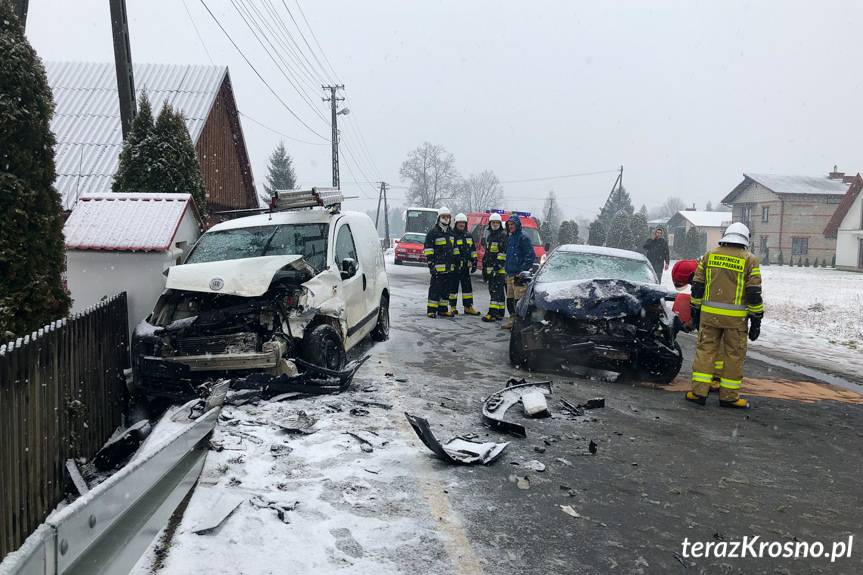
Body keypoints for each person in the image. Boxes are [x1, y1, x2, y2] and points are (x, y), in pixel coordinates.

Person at [686, 222, 763, 409]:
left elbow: (697, 287)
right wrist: (756, 320)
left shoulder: (709, 256)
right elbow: (754, 292)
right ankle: (728, 396)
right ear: (745, 239)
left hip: (709, 316)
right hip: (735, 320)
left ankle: (698, 393)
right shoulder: (749, 260)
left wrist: (695, 312)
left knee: (705, 352)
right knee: (733, 355)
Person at [672, 259, 722, 392]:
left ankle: (710, 381)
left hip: (713, 317)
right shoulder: (707, 270)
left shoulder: (701, 281)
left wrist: (695, 320)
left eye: (687, 282)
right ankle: (716, 378)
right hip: (721, 316)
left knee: (709, 348)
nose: (689, 285)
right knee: (717, 349)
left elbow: (698, 303)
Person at [501, 215, 535, 330]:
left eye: (512, 224)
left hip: (518, 275)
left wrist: (522, 271)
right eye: (508, 225)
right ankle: (512, 321)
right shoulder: (510, 237)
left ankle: (518, 324)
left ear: (517, 225)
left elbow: (530, 256)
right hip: (509, 274)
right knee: (510, 299)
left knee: (518, 300)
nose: (510, 227)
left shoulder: (523, 237)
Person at [423, 207, 455, 318]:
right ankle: (431, 310)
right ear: (439, 218)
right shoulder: (433, 232)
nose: (446, 219)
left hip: (449, 269)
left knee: (446, 290)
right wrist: (431, 264)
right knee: (435, 289)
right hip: (437, 268)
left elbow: (454, 249)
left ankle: (443, 309)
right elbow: (428, 250)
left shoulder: (451, 232)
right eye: (443, 217)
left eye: (448, 217)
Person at [449, 213, 481, 315]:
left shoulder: (468, 235)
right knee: (453, 287)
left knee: (467, 288)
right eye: (460, 222)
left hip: (465, 267)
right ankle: (452, 307)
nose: (462, 224)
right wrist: (458, 259)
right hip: (455, 267)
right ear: (456, 223)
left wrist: (474, 261)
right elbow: (452, 249)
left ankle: (468, 306)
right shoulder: (452, 235)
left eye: (463, 222)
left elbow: (473, 250)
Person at [481, 213, 508, 322]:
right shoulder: (491, 236)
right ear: (490, 223)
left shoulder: (502, 235)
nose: (495, 224)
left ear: (500, 224)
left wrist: (497, 267)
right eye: (493, 222)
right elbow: (488, 253)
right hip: (491, 268)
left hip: (499, 269)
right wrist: (485, 267)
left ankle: (492, 313)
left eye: (497, 222)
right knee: (499, 292)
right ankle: (500, 313)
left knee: (494, 291)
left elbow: (503, 253)